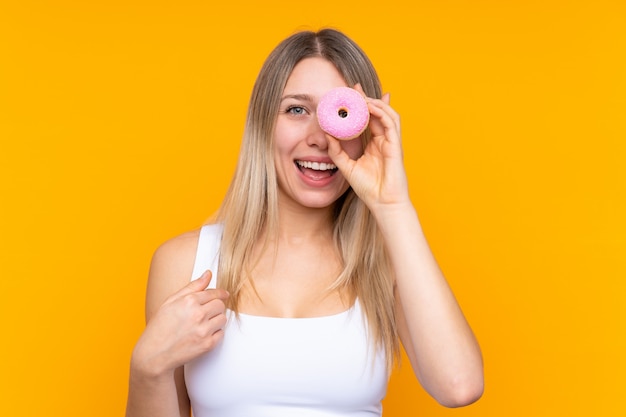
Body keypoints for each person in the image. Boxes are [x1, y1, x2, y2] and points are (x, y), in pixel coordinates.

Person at [125, 28, 484, 417]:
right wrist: (146, 369)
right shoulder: (186, 263)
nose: (319, 138)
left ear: (364, 130)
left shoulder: (387, 263)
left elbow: (459, 385)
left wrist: (393, 205)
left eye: (341, 113)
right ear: (263, 123)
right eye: (297, 109)